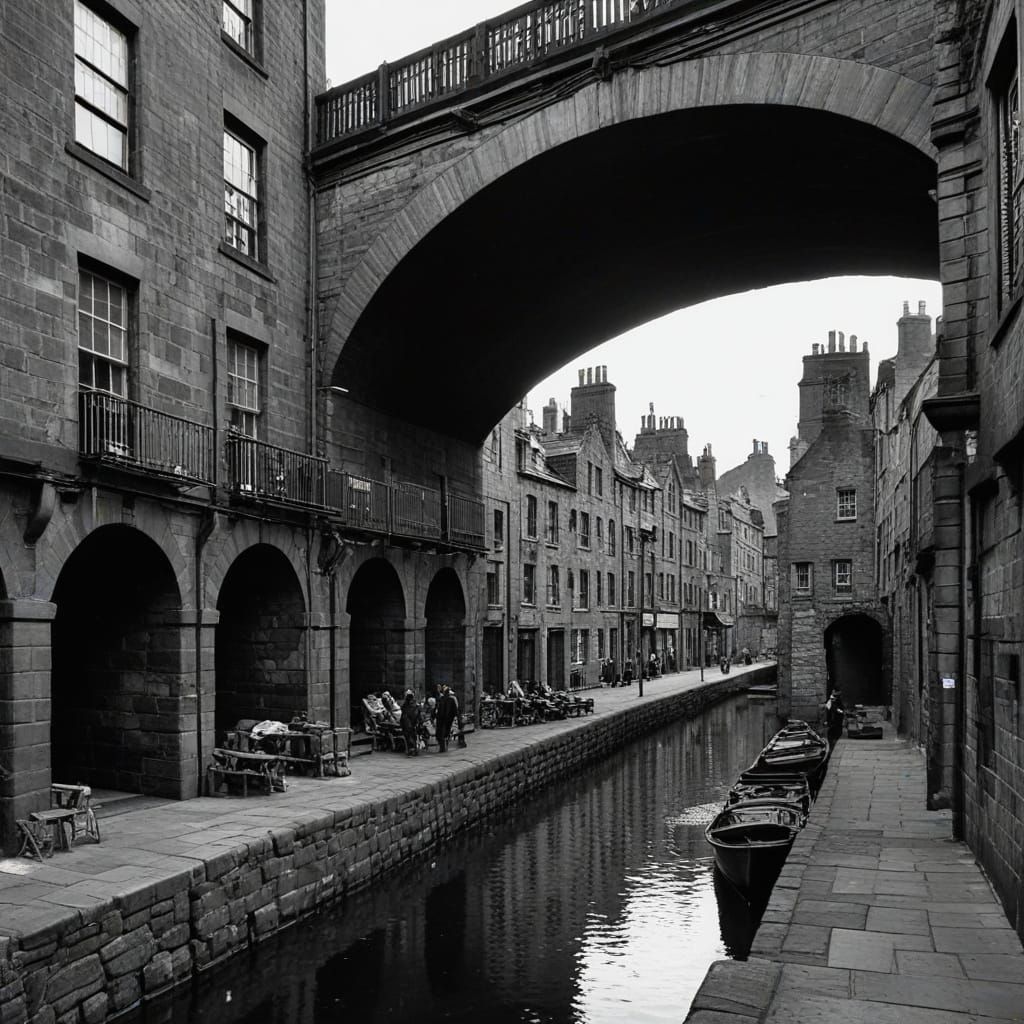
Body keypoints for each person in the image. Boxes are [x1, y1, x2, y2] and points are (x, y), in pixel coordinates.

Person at [435, 685, 459, 752]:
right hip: (445, 719)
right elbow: (455, 710)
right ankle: (443, 746)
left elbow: (454, 710)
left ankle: (443, 747)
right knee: (444, 733)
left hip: (444, 719)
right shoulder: (445, 699)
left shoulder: (445, 699)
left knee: (443, 733)